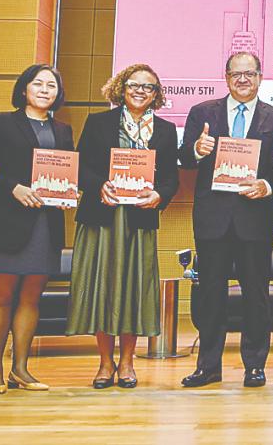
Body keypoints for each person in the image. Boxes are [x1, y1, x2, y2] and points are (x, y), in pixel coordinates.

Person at [66, 64, 179, 389]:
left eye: (149, 87)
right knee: (103, 287)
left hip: (139, 221)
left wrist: (160, 194)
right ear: (121, 87)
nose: (141, 91)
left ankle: (128, 362)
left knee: (132, 289)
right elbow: (81, 165)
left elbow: (170, 178)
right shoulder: (99, 122)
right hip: (103, 218)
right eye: (134, 84)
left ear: (157, 95)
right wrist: (98, 185)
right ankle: (105, 363)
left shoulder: (166, 130)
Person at [179, 52, 273, 388]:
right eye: (236, 74)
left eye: (249, 74)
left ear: (260, 77)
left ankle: (255, 364)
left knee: (256, 294)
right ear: (225, 77)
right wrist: (196, 150)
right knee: (210, 294)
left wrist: (267, 185)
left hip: (255, 217)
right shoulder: (202, 113)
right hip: (213, 219)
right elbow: (185, 160)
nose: (243, 80)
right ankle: (208, 365)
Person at [0, 64, 74, 394]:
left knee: (31, 299)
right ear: (24, 89)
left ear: (58, 93)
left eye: (52, 85)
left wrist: (71, 192)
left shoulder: (63, 129)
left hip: (47, 222)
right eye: (38, 83)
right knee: (1, 297)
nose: (45, 89)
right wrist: (13, 187)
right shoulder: (1, 121)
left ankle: (21, 369)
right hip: (8, 220)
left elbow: (68, 172)